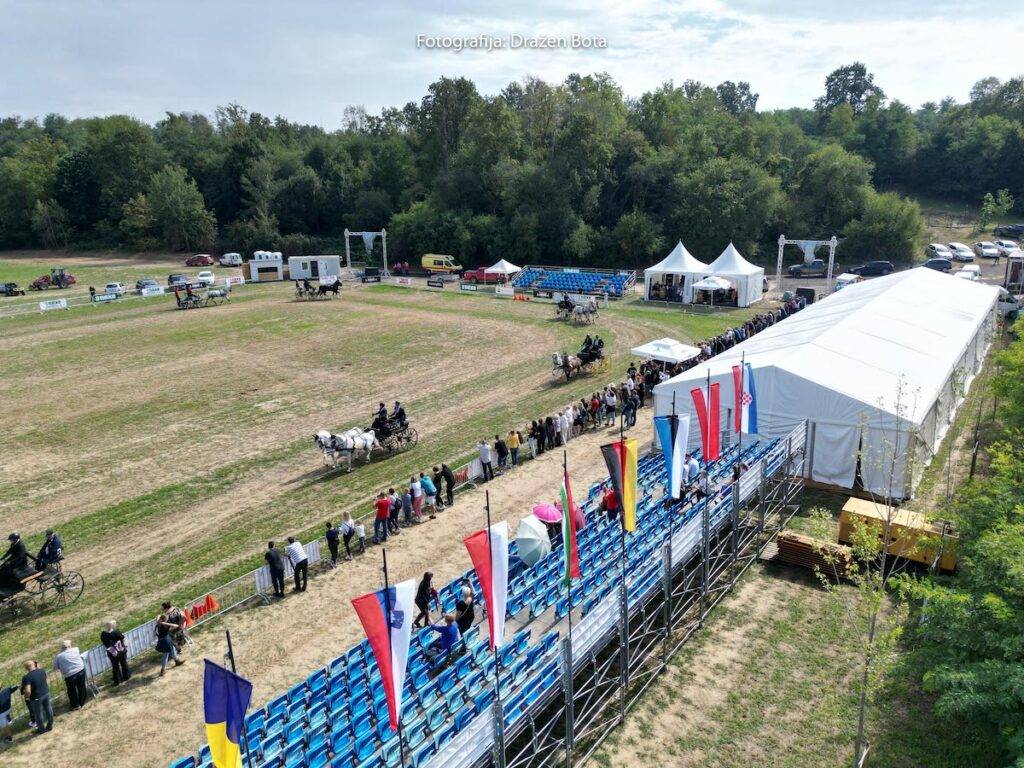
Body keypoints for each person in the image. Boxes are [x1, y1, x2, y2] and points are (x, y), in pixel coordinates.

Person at [53, 639, 88, 710]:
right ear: (70, 646)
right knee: (81, 687)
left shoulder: (59, 656)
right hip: (80, 670)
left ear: (62, 648)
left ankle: (75, 705)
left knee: (71, 691)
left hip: (69, 675)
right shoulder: (76, 649)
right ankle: (82, 702)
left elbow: (55, 667)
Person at [21, 660, 52, 734]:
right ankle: (50, 725)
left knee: (38, 714)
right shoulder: (42, 671)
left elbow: (28, 691)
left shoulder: (26, 677)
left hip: (36, 698)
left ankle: (42, 730)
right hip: (46, 693)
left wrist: (26, 697)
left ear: (26, 668)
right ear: (35, 664)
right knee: (48, 709)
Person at [154, 606, 185, 676]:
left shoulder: (157, 624)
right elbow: (175, 625)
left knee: (173, 648)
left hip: (163, 640)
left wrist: (160, 620)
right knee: (166, 654)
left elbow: (157, 616)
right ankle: (163, 670)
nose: (168, 620)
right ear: (164, 621)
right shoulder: (165, 626)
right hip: (165, 641)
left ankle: (177, 660)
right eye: (167, 620)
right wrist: (164, 623)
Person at [100, 620, 131, 686]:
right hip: (120, 650)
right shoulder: (116, 632)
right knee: (124, 663)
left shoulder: (103, 634)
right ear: (112, 625)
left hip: (111, 652)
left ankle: (117, 680)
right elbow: (122, 637)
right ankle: (126, 676)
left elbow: (104, 642)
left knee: (115, 666)